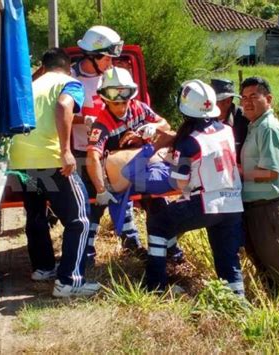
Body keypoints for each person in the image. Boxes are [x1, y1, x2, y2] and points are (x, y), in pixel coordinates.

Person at [8, 48, 99, 297]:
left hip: (21, 160)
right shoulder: (70, 82)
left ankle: (43, 268)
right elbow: (63, 106)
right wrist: (66, 150)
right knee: (79, 219)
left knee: (36, 213)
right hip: (50, 159)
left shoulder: (32, 84)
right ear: (68, 67)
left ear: (44, 66)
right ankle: (69, 282)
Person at [144, 79, 245, 295]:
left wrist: (161, 162)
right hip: (233, 203)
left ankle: (156, 286)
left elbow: (180, 182)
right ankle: (238, 303)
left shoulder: (189, 141)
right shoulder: (227, 130)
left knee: (158, 223)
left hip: (204, 203)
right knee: (228, 258)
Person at [86, 66, 178, 255]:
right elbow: (93, 156)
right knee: (96, 210)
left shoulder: (139, 108)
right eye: (115, 103)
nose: (121, 107)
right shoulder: (101, 124)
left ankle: (171, 251)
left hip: (143, 170)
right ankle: (91, 253)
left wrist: (152, 126)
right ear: (105, 99)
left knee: (159, 207)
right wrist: (101, 190)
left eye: (125, 102)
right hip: (116, 177)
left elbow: (165, 124)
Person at [70, 26, 144, 259]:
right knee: (92, 202)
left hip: (111, 149)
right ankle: (87, 250)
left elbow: (129, 105)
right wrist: (84, 119)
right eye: (107, 57)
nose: (111, 62)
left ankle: (131, 241)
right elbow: (59, 116)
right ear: (93, 55)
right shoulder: (70, 78)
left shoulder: (111, 76)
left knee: (124, 196)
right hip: (81, 149)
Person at [239, 76, 279, 305]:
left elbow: (271, 172)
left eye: (253, 97)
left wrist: (240, 171)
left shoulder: (269, 127)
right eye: (244, 97)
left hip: (269, 210)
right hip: (257, 209)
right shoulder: (255, 126)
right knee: (265, 267)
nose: (247, 102)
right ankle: (277, 313)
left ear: (268, 99)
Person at [210, 78, 249, 162]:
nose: (209, 105)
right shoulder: (204, 118)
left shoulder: (244, 119)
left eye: (213, 101)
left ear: (227, 101)